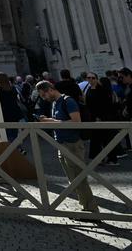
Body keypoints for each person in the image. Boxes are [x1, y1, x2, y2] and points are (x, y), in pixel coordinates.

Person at [36, 80, 98, 212]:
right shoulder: (54, 103)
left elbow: (76, 122)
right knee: (73, 180)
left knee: (79, 179)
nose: (43, 98)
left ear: (50, 90)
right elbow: (59, 121)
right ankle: (85, 206)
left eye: (43, 95)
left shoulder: (67, 101)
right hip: (61, 144)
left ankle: (92, 209)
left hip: (72, 144)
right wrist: (47, 121)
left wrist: (53, 122)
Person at [85, 73, 121, 165]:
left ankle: (112, 159)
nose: (91, 79)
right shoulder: (88, 89)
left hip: (102, 117)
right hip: (93, 118)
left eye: (93, 78)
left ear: (96, 79)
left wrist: (100, 117)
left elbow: (105, 104)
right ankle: (98, 159)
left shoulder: (102, 90)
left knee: (106, 139)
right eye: (88, 78)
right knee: (95, 139)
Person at [0, 73, 27, 142]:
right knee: (13, 133)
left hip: (4, 114)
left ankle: (14, 150)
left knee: (7, 135)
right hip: (14, 113)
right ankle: (16, 149)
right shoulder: (13, 88)